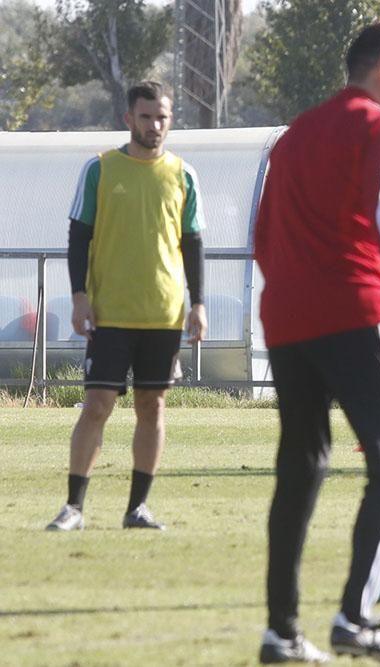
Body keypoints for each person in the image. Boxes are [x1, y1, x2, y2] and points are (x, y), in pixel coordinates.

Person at [254, 24, 380, 665]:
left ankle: (281, 631)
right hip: (356, 310)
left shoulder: (291, 136)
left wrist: (293, 290)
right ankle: (356, 617)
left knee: (301, 469)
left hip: (287, 317)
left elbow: (263, 234)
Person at [46, 80, 207, 534]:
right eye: (146, 116)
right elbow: (79, 236)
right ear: (128, 119)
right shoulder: (100, 169)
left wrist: (199, 305)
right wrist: (79, 295)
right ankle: (73, 507)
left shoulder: (183, 174)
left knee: (152, 407)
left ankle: (138, 508)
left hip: (163, 313)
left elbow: (192, 242)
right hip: (110, 311)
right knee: (96, 405)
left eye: (162, 118)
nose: (154, 125)